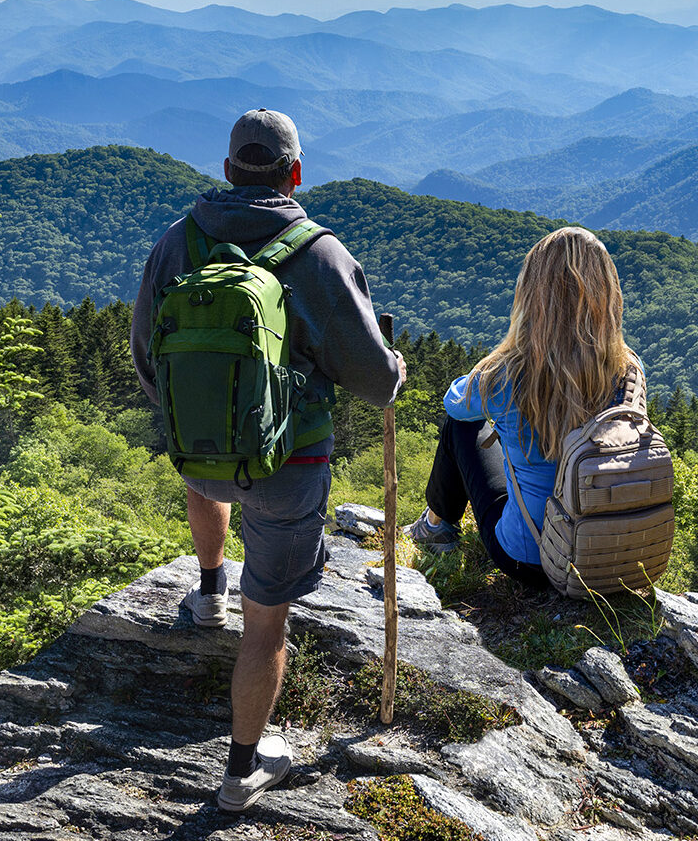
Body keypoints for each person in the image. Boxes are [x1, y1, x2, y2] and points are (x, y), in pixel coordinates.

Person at [130, 107, 402, 812]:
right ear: (296, 173)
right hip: (290, 467)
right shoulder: (319, 255)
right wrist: (396, 366)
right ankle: (242, 770)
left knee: (208, 474)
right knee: (269, 623)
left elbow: (145, 357)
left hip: (197, 455)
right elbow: (375, 383)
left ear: (226, 170)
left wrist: (197, 411)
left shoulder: (177, 243)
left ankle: (208, 589)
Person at [404, 226, 635, 590]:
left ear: (532, 295)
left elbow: (456, 404)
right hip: (608, 556)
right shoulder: (627, 370)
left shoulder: (511, 372)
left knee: (461, 427)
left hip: (529, 557)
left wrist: (501, 356)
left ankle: (435, 527)